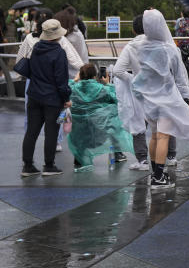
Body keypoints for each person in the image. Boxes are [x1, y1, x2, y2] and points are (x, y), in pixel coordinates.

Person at [134, 9, 189, 188]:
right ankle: (158, 177)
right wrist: (187, 98)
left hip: (149, 98)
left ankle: (155, 172)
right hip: (166, 97)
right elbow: (180, 77)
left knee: (154, 136)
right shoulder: (170, 49)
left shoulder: (141, 47)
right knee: (164, 136)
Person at [114, 14, 172, 171]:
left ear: (133, 30)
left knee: (139, 126)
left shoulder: (130, 47)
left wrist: (133, 79)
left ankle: (143, 160)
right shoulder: (159, 44)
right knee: (163, 127)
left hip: (139, 93)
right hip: (160, 91)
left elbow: (118, 70)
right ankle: (170, 156)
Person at [20, 19, 72, 177]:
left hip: (34, 95)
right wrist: (66, 98)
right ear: (57, 36)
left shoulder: (36, 48)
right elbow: (61, 81)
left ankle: (27, 166)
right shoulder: (59, 53)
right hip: (52, 99)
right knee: (51, 132)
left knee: (31, 131)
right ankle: (49, 166)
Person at [67, 63, 135, 171]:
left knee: (82, 124)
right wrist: (108, 84)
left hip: (80, 131)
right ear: (95, 76)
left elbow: (65, 88)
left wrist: (75, 80)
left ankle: (79, 156)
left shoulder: (74, 89)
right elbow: (116, 99)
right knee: (112, 114)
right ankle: (117, 153)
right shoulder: (101, 89)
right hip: (100, 130)